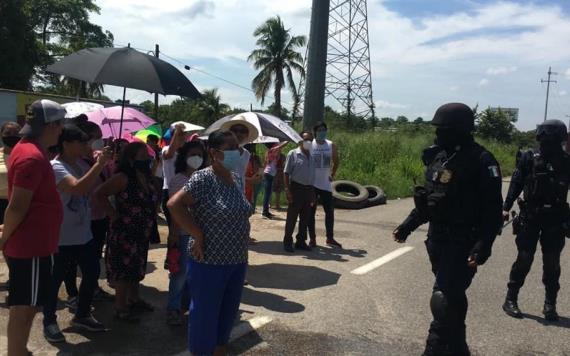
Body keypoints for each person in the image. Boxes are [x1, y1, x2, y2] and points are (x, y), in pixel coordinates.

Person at [392, 103, 503, 356]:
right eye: (438, 129)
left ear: (461, 130)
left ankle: (434, 349)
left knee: (442, 298)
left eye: (444, 129)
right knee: (453, 295)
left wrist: (484, 244)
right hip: (437, 239)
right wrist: (409, 225)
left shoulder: (482, 160)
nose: (438, 134)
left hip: (463, 240)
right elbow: (430, 199)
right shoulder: (438, 158)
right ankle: (459, 348)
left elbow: (492, 210)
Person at [167, 129, 251, 356]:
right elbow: (174, 205)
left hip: (237, 258)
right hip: (209, 260)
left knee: (227, 312)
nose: (237, 152)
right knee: (205, 314)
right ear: (214, 153)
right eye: (231, 148)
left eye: (238, 147)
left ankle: (220, 349)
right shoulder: (203, 178)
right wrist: (198, 234)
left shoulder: (235, 178)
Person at [0, 99, 65, 356]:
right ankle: (17, 352)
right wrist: (4, 238)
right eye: (60, 125)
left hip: (34, 244)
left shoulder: (27, 149)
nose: (61, 131)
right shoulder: (32, 158)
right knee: (25, 307)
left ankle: (19, 350)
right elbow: (17, 206)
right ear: (51, 125)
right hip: (32, 247)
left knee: (24, 304)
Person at [42, 124, 113, 342]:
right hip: (61, 237)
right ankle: (49, 321)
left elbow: (91, 188)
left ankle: (82, 314)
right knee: (54, 282)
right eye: (82, 142)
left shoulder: (80, 166)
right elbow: (78, 188)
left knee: (91, 274)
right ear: (66, 144)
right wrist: (99, 164)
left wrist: (102, 165)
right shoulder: (56, 167)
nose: (86, 145)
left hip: (83, 235)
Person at [502, 119, 570, 322]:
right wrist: (506, 207)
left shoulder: (566, 161)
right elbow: (516, 182)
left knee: (552, 263)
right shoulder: (529, 158)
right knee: (524, 259)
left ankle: (550, 305)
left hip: (555, 219)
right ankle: (510, 299)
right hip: (530, 217)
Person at [95, 142, 159, 322]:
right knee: (123, 270)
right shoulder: (122, 177)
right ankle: (120, 307)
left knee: (136, 267)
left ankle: (134, 299)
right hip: (124, 231)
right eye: (142, 157)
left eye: (147, 156)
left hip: (142, 231)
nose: (146, 160)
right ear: (131, 159)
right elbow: (99, 194)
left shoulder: (146, 177)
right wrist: (113, 214)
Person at [166, 140, 207, 326]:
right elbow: (175, 211)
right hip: (183, 233)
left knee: (194, 272)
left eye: (200, 154)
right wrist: (173, 234)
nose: (196, 158)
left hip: (201, 232)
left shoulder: (206, 177)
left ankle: (186, 304)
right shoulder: (178, 180)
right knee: (180, 272)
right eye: (192, 154)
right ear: (184, 157)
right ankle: (173, 307)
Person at [74, 119, 114, 301]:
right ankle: (77, 294)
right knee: (80, 259)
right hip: (83, 216)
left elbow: (110, 177)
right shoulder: (75, 162)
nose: (100, 141)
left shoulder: (100, 156)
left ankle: (93, 287)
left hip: (100, 214)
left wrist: (111, 161)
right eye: (97, 138)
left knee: (96, 255)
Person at [306, 122, 342, 248]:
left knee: (329, 212)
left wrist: (332, 173)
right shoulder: (310, 145)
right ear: (315, 132)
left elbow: (336, 161)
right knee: (311, 212)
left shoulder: (331, 145)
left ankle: (330, 238)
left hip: (326, 184)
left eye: (324, 130)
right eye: (319, 130)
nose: (322, 132)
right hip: (313, 184)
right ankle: (312, 238)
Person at [283, 132, 316, 253]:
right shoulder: (293, 154)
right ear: (300, 140)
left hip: (308, 189)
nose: (309, 142)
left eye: (311, 140)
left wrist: (312, 193)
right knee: (292, 217)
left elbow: (312, 176)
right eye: (306, 139)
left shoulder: (312, 156)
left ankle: (301, 241)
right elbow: (286, 173)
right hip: (296, 188)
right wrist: (287, 190)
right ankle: (287, 241)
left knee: (305, 217)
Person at [162, 125, 187, 245]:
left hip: (185, 191)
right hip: (170, 191)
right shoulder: (166, 149)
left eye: (183, 135)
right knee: (174, 229)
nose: (182, 138)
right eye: (178, 135)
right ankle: (172, 259)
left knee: (184, 227)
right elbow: (169, 154)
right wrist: (176, 133)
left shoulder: (186, 153)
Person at [222, 120, 259, 192]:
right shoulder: (223, 151)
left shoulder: (246, 154)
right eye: (235, 130)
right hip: (224, 191)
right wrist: (250, 180)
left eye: (242, 131)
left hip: (240, 192)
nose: (238, 134)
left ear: (247, 135)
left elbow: (240, 175)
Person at [0, 122, 22, 223]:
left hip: (21, 203)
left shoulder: (26, 155)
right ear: (1, 135)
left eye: (16, 133)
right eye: (8, 133)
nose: (12, 136)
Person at [261, 141, 289, 219]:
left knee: (268, 194)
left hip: (270, 174)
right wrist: (287, 141)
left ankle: (266, 211)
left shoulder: (271, 151)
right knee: (267, 194)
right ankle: (264, 212)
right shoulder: (272, 150)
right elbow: (280, 146)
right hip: (269, 174)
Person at [244, 144, 263, 213]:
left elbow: (261, 170)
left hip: (254, 181)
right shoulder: (244, 158)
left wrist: (258, 175)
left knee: (252, 199)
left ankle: (251, 210)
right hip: (248, 182)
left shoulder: (255, 158)